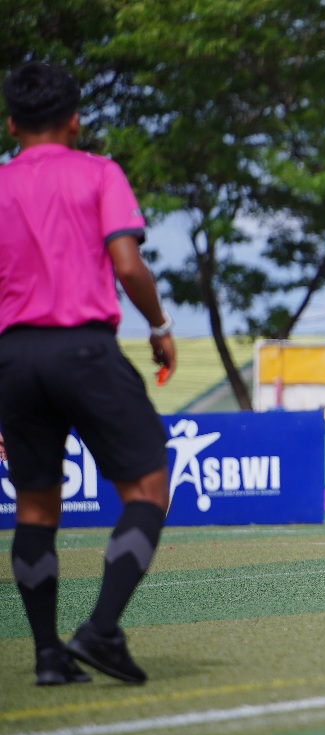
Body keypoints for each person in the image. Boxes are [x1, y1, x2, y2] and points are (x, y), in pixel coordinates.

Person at [0, 62, 177, 685]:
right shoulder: (99, 172)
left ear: (11, 124)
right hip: (84, 349)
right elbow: (127, 266)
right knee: (147, 489)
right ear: (75, 121)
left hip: (14, 357)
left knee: (34, 508)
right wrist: (158, 326)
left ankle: (48, 657)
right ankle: (101, 630)